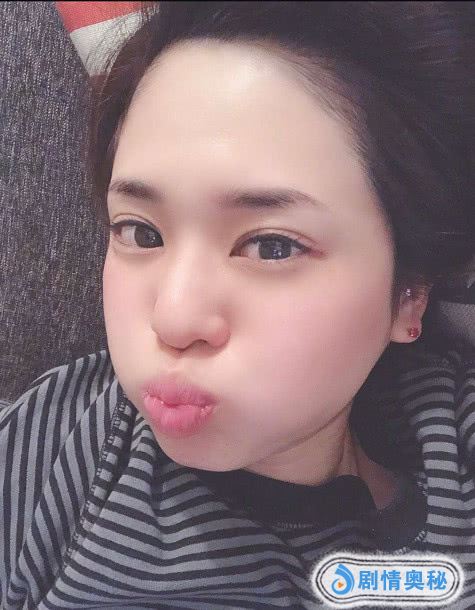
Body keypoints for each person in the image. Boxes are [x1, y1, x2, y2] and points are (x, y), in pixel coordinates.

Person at [1, 2, 475, 608]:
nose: (174, 319)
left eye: (272, 246)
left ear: (409, 294)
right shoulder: (57, 436)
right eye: (141, 233)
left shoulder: (450, 445)